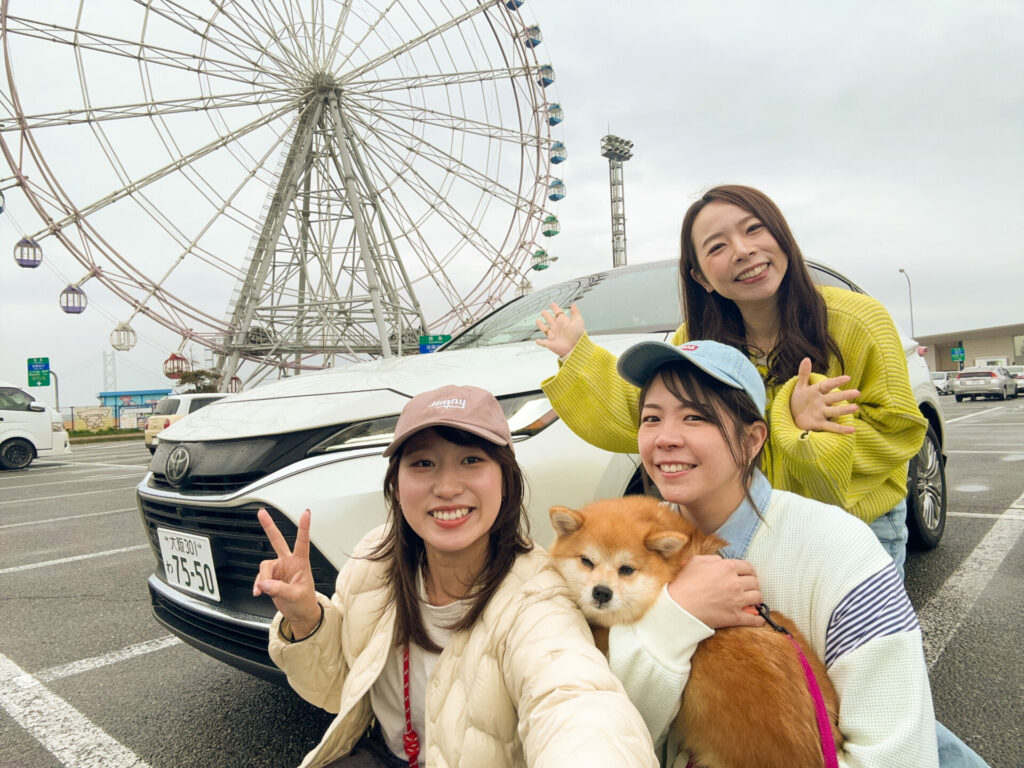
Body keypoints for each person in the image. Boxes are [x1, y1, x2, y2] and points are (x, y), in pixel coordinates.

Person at [253, 384, 658, 768]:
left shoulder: (537, 595)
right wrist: (305, 618)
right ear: (396, 483)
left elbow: (575, 699)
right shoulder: (373, 563)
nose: (447, 487)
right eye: (423, 463)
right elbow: (339, 690)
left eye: (471, 460)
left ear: (506, 479)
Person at [535, 184, 926, 576]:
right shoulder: (694, 339)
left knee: (853, 631)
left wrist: (810, 430)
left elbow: (898, 430)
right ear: (700, 277)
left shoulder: (859, 321)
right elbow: (639, 411)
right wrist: (576, 355)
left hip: (853, 519)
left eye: (754, 229)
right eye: (717, 247)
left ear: (783, 237)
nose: (742, 250)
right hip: (749, 523)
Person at [610, 337, 939, 767]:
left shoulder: (841, 549)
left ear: (752, 440)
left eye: (695, 417)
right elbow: (617, 731)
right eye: (651, 418)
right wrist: (678, 613)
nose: (665, 438)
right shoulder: (628, 549)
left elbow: (900, 753)